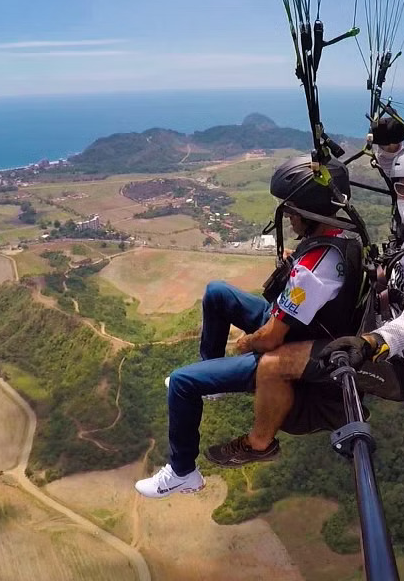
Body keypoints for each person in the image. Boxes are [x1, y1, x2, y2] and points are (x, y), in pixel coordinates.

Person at [204, 139, 404, 467]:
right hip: (378, 326)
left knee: (273, 363)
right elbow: (403, 190)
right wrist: (390, 150)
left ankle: (259, 443)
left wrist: (373, 342)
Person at [134, 156, 365, 498]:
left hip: (295, 341)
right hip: (303, 323)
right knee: (217, 293)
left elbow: (271, 338)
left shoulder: (314, 269)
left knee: (182, 383)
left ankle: (182, 472)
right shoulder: (339, 238)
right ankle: (213, 383)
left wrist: (247, 343)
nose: (289, 217)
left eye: (292, 211)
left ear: (310, 210)